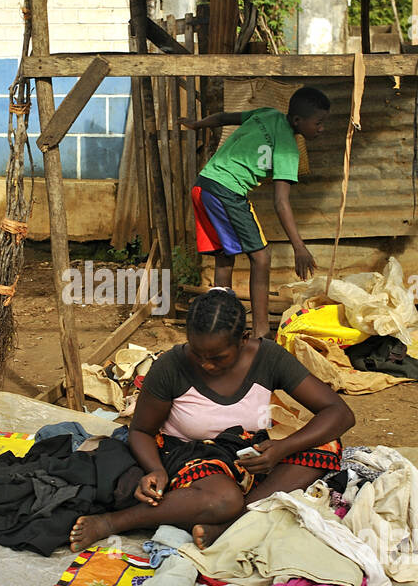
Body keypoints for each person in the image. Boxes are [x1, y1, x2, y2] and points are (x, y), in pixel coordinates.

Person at [69, 289, 355, 552]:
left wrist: (282, 448)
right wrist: (155, 469)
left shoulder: (268, 357)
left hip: (246, 453)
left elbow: (339, 413)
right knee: (223, 500)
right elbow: (141, 430)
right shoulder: (171, 366)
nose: (206, 364)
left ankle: (231, 523)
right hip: (189, 452)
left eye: (218, 357)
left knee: (325, 444)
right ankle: (112, 523)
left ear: (243, 339)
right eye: (197, 353)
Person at [181, 86, 330, 339]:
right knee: (261, 257)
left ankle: (220, 325)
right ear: (297, 121)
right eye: (318, 123)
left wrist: (197, 124)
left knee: (225, 256)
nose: (321, 128)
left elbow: (224, 117)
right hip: (227, 190)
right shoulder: (288, 150)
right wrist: (299, 246)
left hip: (203, 185)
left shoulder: (267, 114)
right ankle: (261, 331)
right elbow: (281, 203)